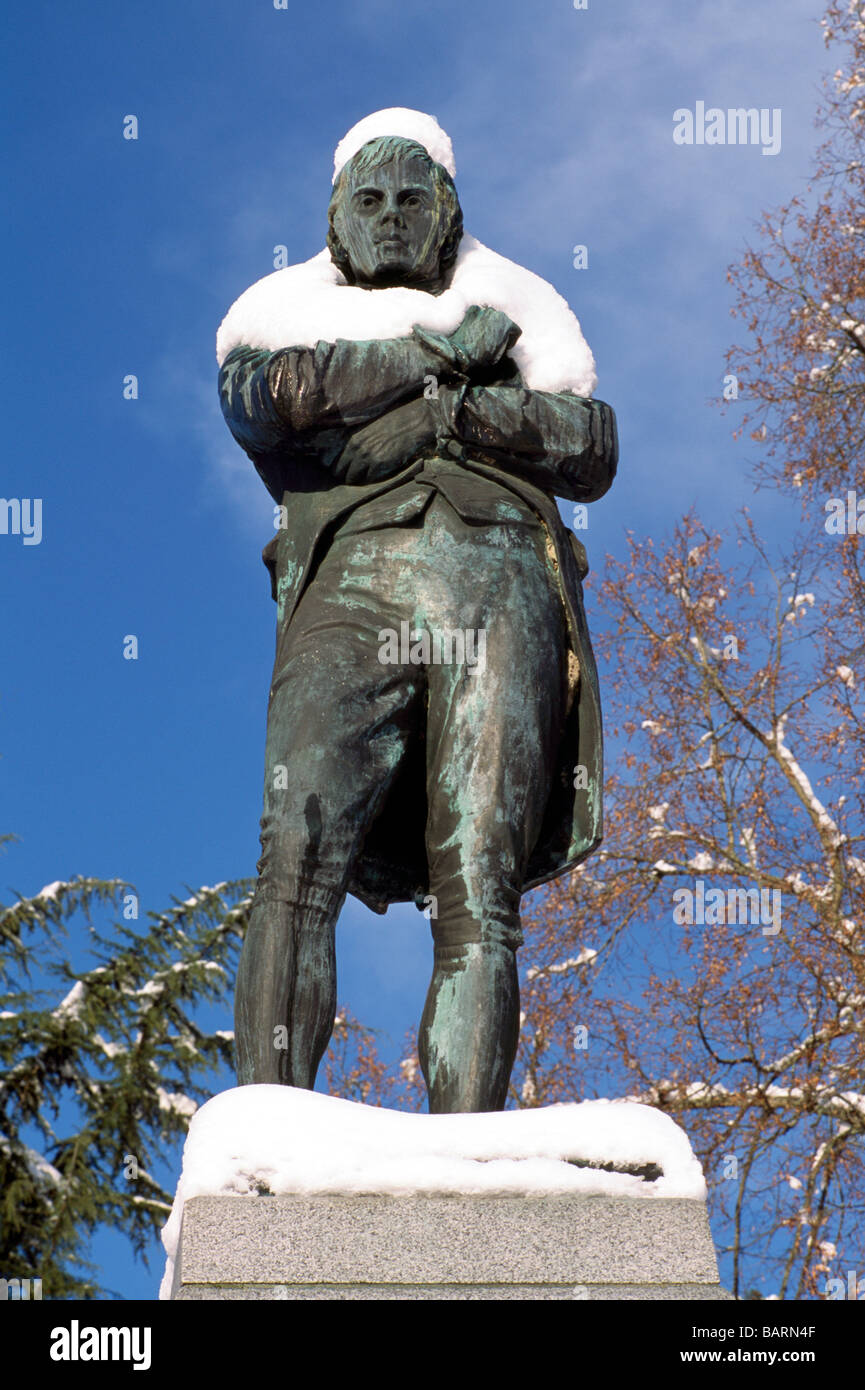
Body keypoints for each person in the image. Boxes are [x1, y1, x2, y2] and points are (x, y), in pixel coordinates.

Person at [217, 109, 618, 1112]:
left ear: (450, 211)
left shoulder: (518, 298)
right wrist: (437, 358)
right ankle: (269, 1128)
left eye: (411, 199)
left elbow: (588, 440)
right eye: (369, 202)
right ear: (333, 218)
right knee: (295, 857)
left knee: (478, 883)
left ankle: (471, 1147)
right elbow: (267, 397)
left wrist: (441, 421)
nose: (391, 218)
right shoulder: (283, 306)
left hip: (501, 586)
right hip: (351, 587)